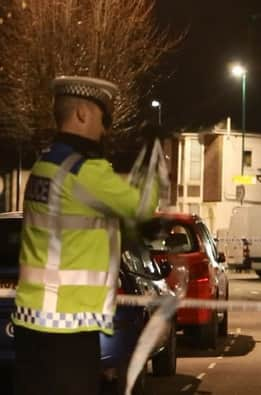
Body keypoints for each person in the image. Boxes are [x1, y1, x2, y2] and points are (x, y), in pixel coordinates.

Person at [12, 76, 162, 395]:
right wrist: (153, 157)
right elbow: (143, 205)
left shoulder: (45, 167)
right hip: (68, 329)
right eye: (103, 118)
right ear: (82, 113)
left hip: (29, 324)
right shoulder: (86, 172)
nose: (105, 129)